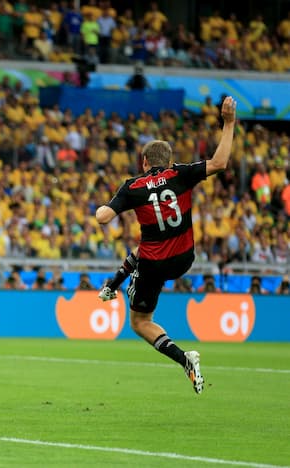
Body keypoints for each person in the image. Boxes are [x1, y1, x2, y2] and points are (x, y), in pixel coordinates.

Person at [95, 96, 237, 395]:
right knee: (145, 244)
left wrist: (104, 208)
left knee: (140, 321)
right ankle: (112, 285)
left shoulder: (133, 186)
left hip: (154, 264)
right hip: (184, 258)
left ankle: (184, 358)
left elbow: (103, 218)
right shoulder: (181, 173)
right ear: (169, 162)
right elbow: (220, 162)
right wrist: (229, 123)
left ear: (144, 162)